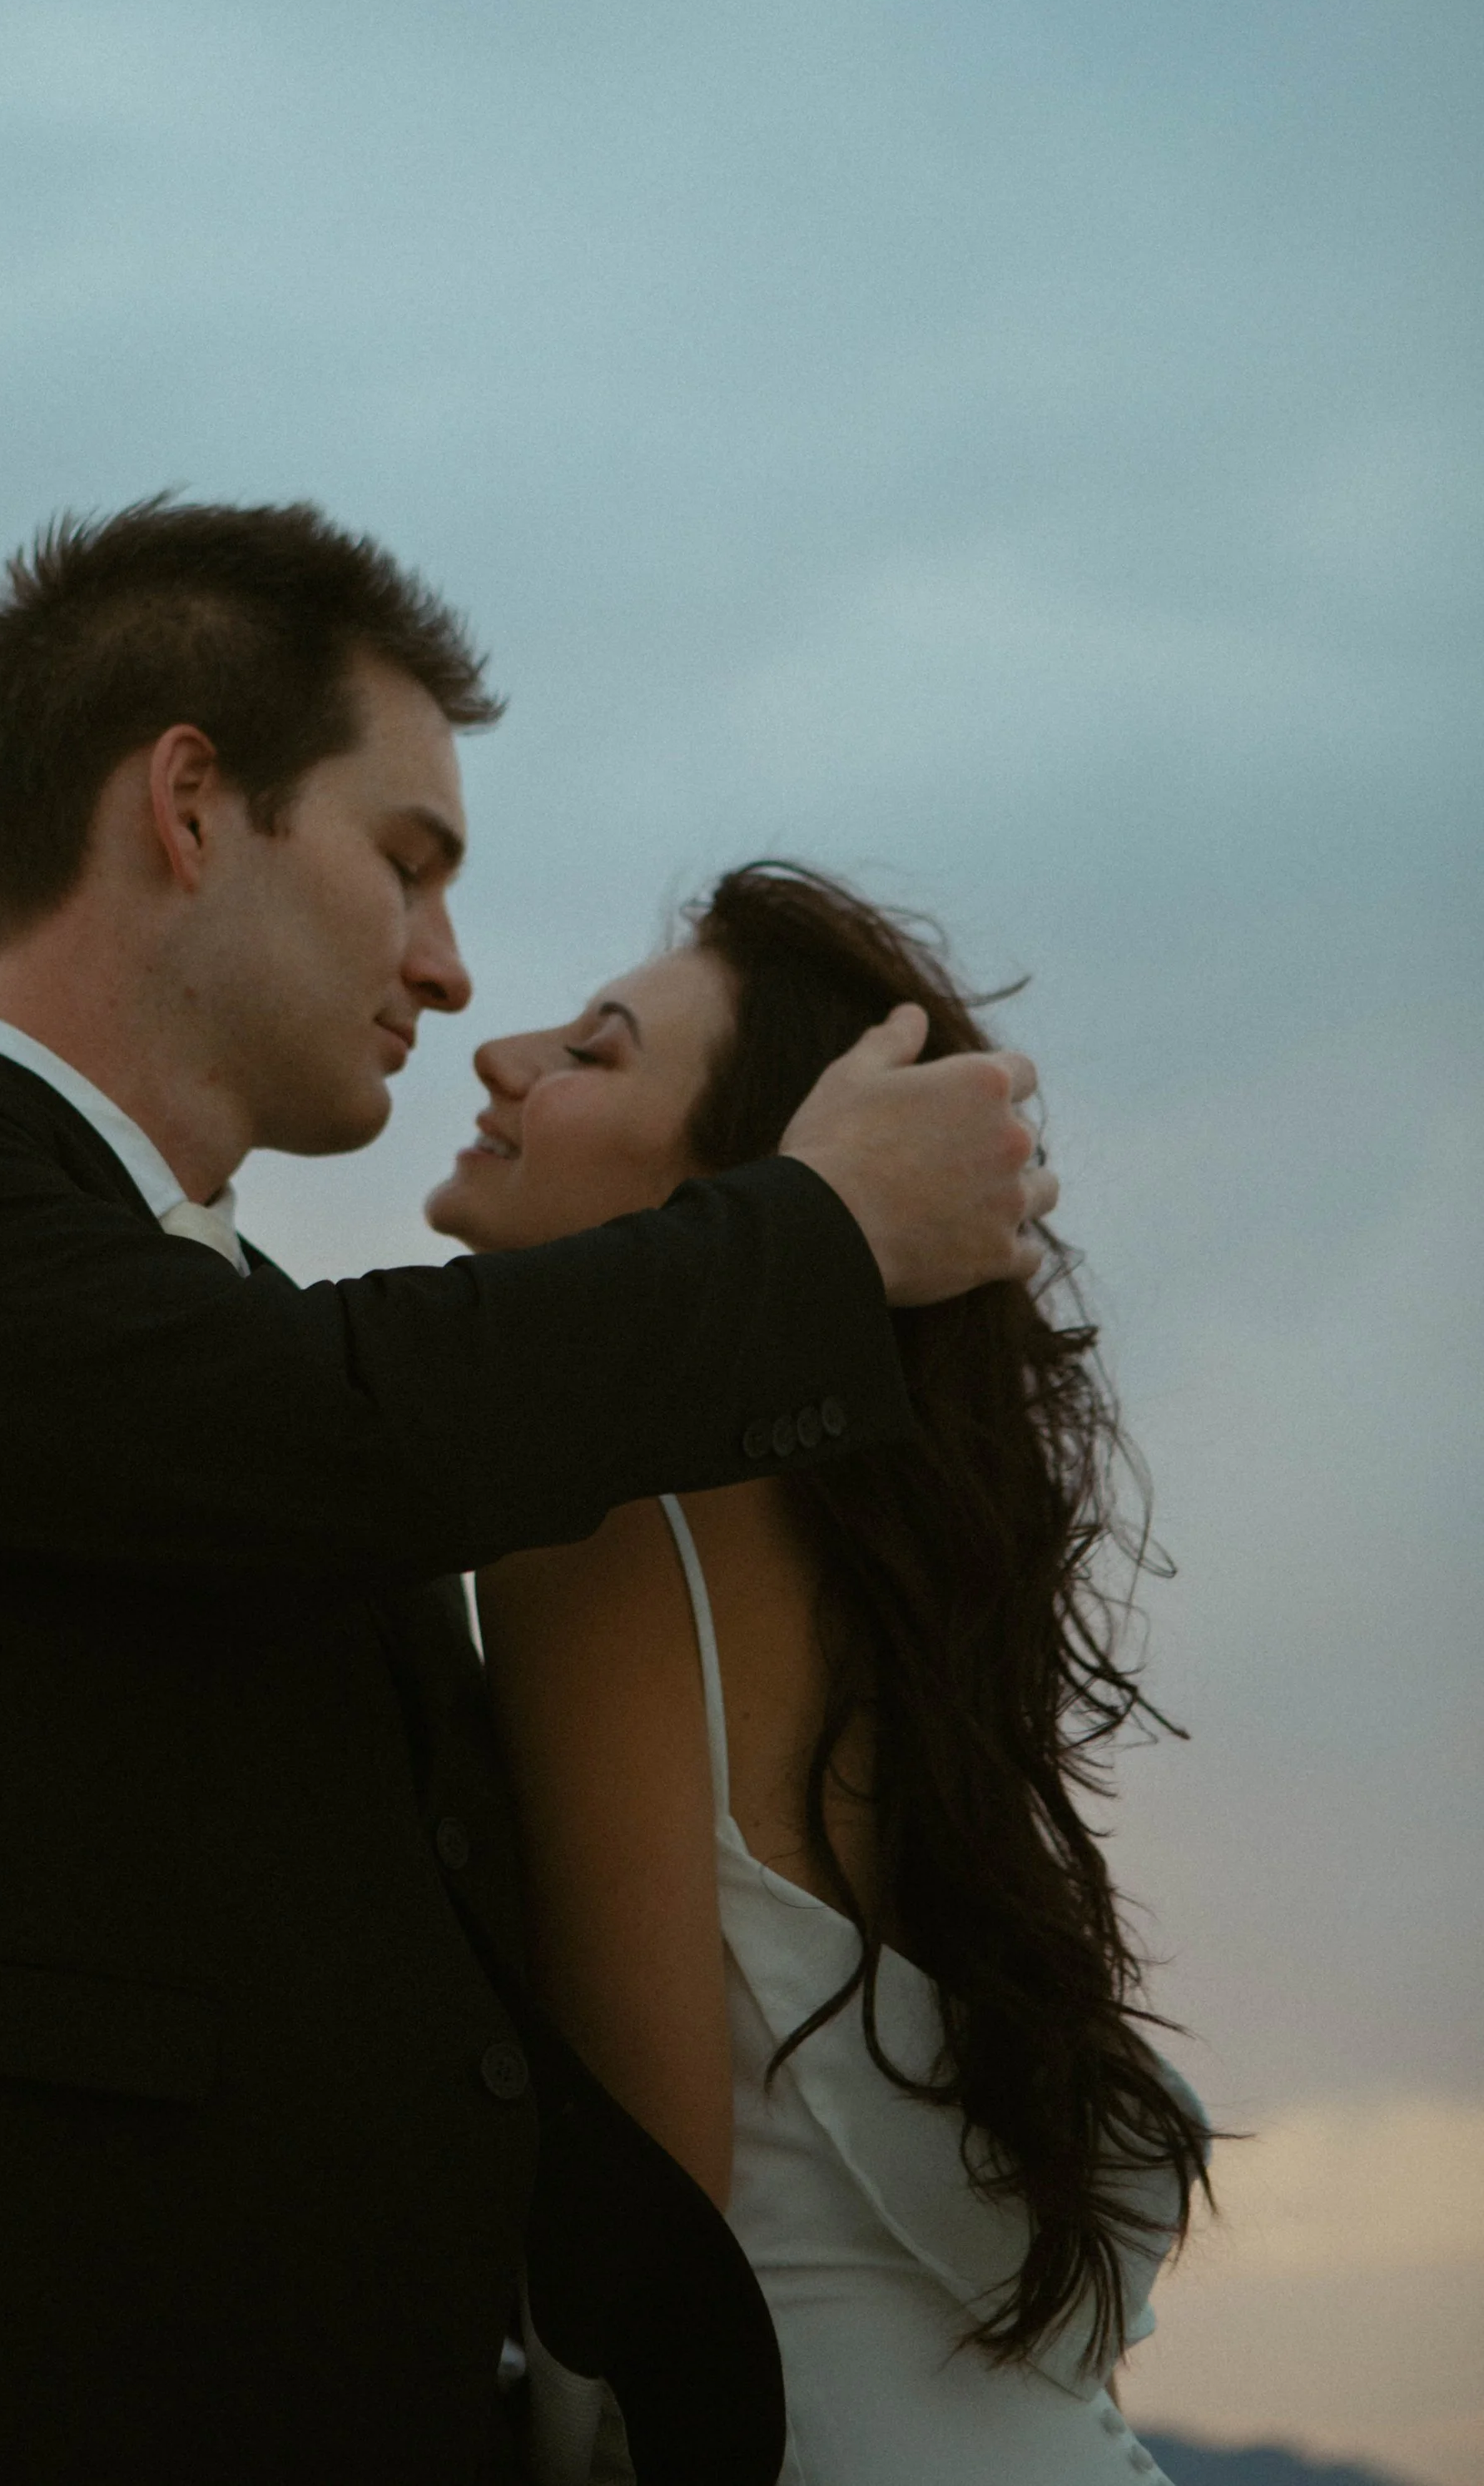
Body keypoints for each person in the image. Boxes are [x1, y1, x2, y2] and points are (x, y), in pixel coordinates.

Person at [0, 500, 1055, 2486]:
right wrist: (821, 1234)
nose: (446, 972)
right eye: (407, 863)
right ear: (189, 804)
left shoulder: (273, 1345)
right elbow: (318, 1431)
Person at [429, 861, 1210, 2486]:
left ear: (744, 1196)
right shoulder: (875, 1571)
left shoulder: (602, 1525)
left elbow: (646, 2199)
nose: (498, 1054)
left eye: (592, 1050)